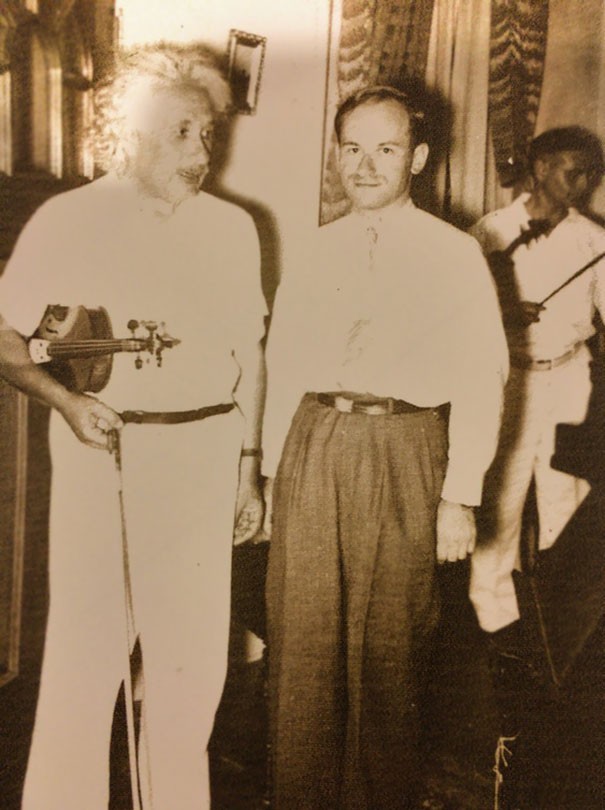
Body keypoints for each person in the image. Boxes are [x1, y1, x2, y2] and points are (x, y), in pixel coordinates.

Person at [0, 43, 267, 810]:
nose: (201, 151)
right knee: (86, 661)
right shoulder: (67, 218)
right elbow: (7, 337)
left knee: (191, 671)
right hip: (102, 451)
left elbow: (248, 352)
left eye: (208, 134)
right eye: (182, 132)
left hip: (207, 455)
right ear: (133, 135)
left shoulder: (232, 228)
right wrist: (66, 403)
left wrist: (249, 466)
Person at [261, 85, 508, 810]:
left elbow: (482, 377)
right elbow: (284, 366)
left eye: (386, 149)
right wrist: (275, 477)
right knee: (301, 644)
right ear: (336, 155)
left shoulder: (455, 253)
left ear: (418, 158)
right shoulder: (311, 248)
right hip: (317, 442)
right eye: (351, 148)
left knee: (391, 649)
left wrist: (459, 495)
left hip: (408, 447)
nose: (365, 166)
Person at [469, 126, 605, 634]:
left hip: (571, 377)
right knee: (499, 499)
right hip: (509, 379)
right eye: (574, 170)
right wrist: (504, 312)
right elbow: (462, 312)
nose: (584, 182)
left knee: (564, 500)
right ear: (542, 167)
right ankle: (495, 619)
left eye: (591, 173)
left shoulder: (595, 240)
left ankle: (559, 622)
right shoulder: (489, 232)